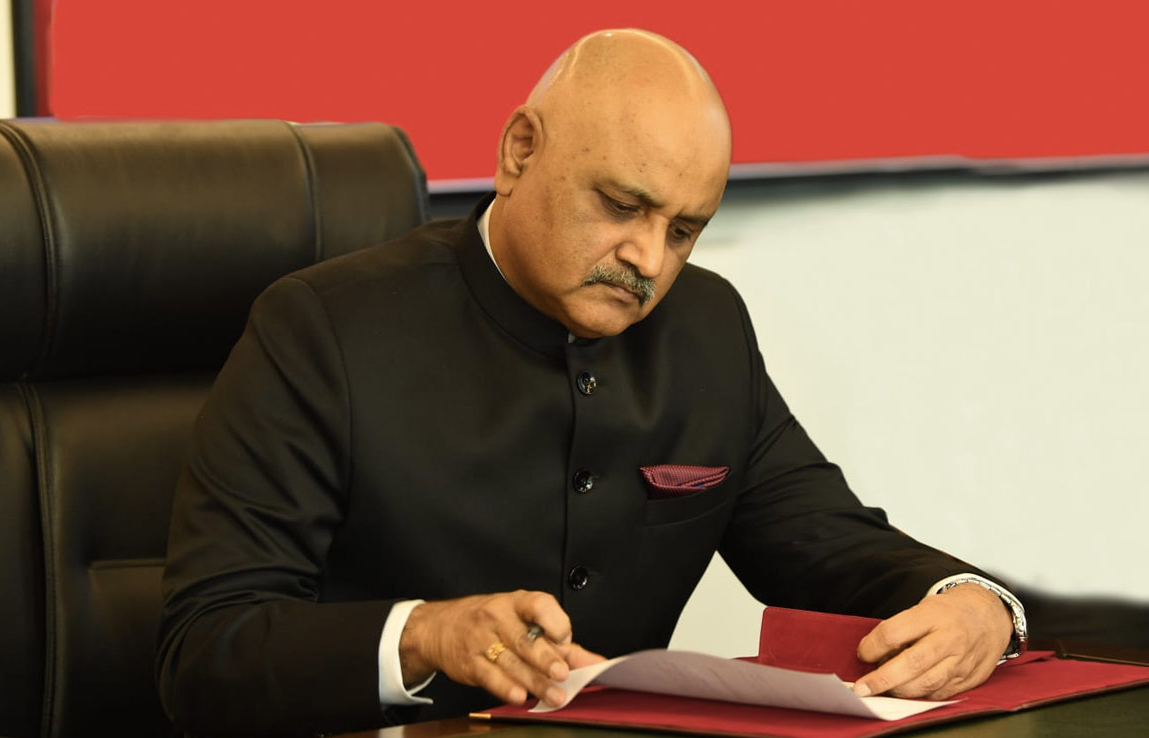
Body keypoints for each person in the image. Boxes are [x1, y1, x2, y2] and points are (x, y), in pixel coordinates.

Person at [157, 28, 1024, 737]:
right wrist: (425, 634)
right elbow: (204, 653)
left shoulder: (707, 328)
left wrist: (975, 603)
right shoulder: (323, 328)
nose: (648, 259)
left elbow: (825, 541)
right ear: (520, 151)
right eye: (621, 205)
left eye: (684, 230)